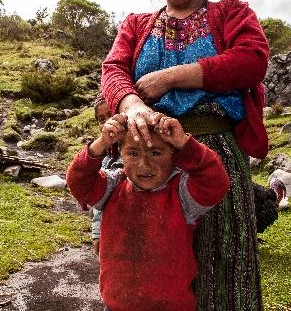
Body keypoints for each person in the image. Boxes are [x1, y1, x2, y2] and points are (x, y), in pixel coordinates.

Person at [101, 0, 269, 310]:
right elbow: (113, 70)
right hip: (150, 158)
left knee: (223, 259)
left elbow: (252, 60)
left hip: (214, 156)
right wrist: (133, 106)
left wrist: (169, 78)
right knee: (151, 265)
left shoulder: (231, 13)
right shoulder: (136, 25)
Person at [67, 111, 229, 311]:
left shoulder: (180, 193)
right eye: (133, 153)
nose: (145, 165)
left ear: (173, 154)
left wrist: (185, 143)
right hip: (116, 305)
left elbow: (216, 182)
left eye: (155, 152)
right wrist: (100, 143)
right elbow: (78, 180)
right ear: (120, 154)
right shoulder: (112, 187)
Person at [90, 95, 123, 256]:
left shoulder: (135, 153)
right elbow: (99, 204)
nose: (107, 122)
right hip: (110, 230)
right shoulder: (105, 157)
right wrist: (97, 233)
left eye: (111, 115)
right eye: (101, 119)